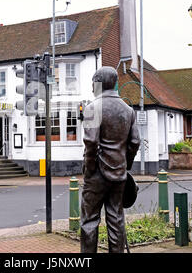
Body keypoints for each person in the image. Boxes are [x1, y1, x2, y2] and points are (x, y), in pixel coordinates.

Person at [80, 66, 140, 253]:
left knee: (89, 220)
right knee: (116, 218)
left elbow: (91, 142)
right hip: (119, 173)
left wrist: (90, 169)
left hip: (96, 173)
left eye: (92, 83)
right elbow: (135, 142)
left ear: (98, 84)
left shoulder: (92, 108)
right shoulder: (128, 110)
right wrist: (125, 164)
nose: (91, 87)